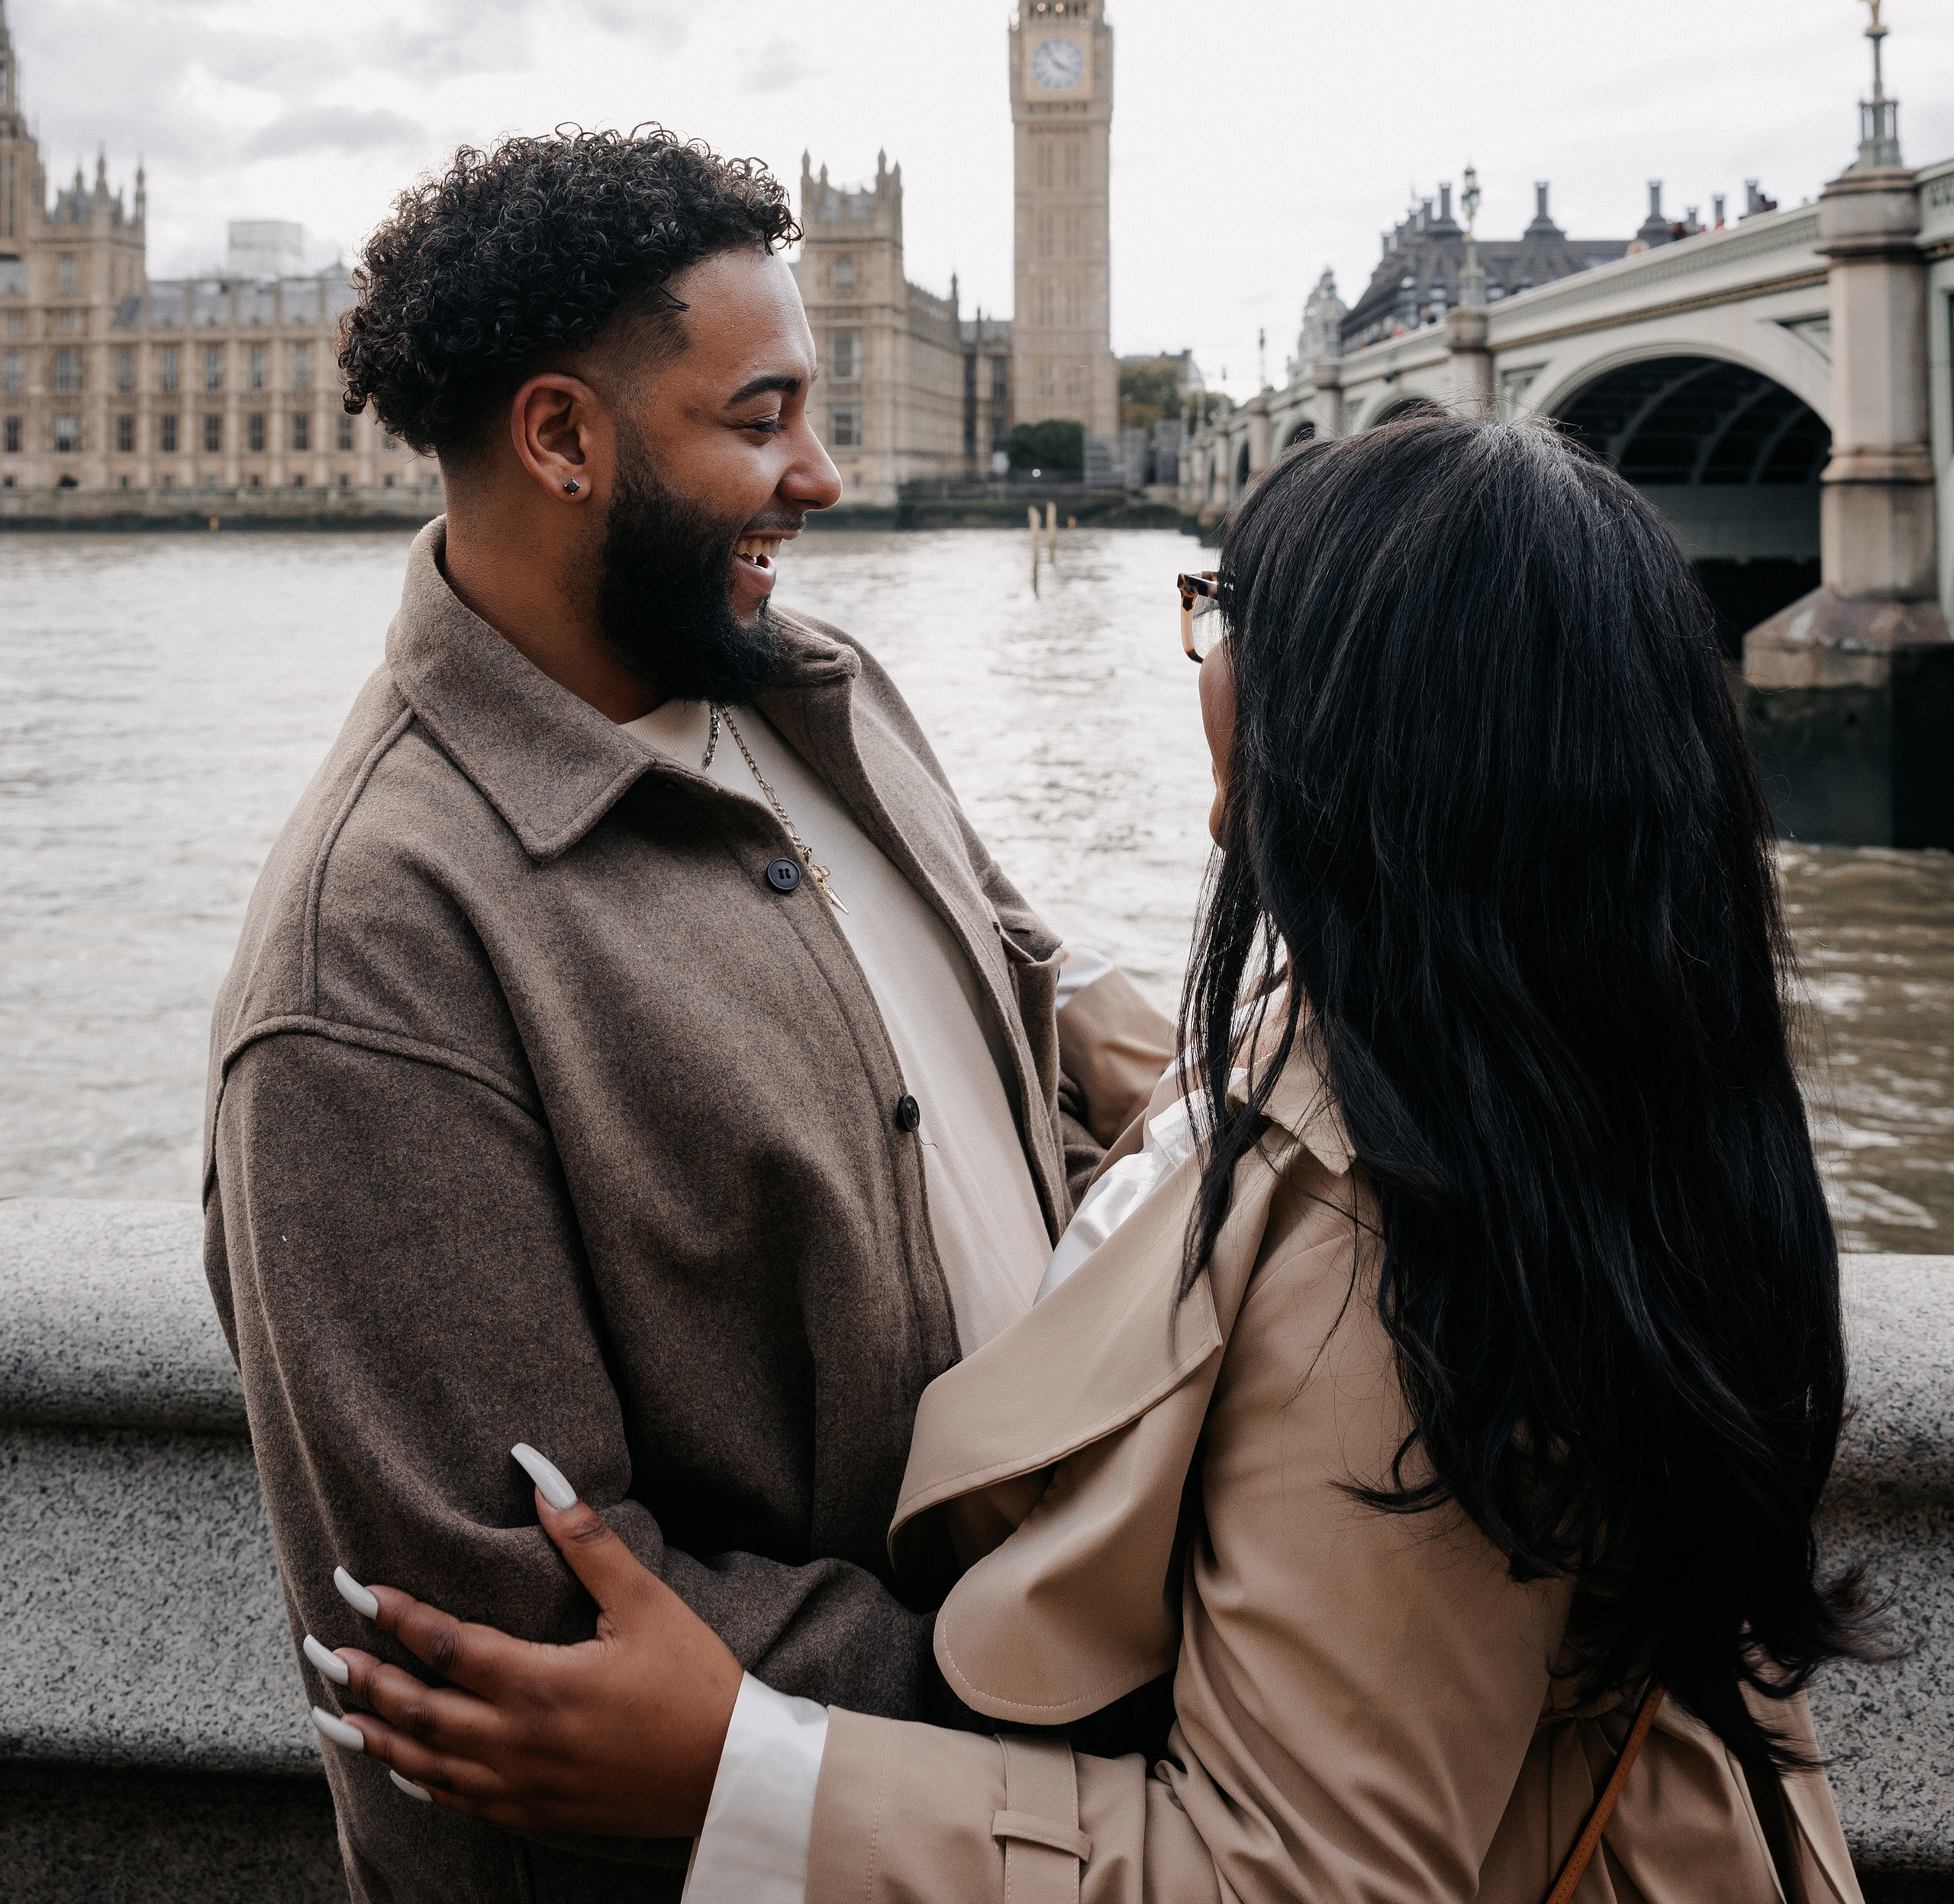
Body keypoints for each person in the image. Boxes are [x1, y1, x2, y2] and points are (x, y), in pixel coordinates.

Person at [313, 415, 1872, 1902]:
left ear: (1364, 710)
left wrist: (748, 1774)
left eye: (1222, 615)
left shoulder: (1389, 1239)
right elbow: (1193, 1072)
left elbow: (1312, 1880)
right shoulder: (1545, 1025)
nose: (1203, 659)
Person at [202, 126, 1172, 1904]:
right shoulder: (378, 958)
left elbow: (1018, 991)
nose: (821, 471)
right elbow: (511, 1616)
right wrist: (1106, 1683)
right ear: (560, 437)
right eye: (758, 418)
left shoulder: (820, 690)